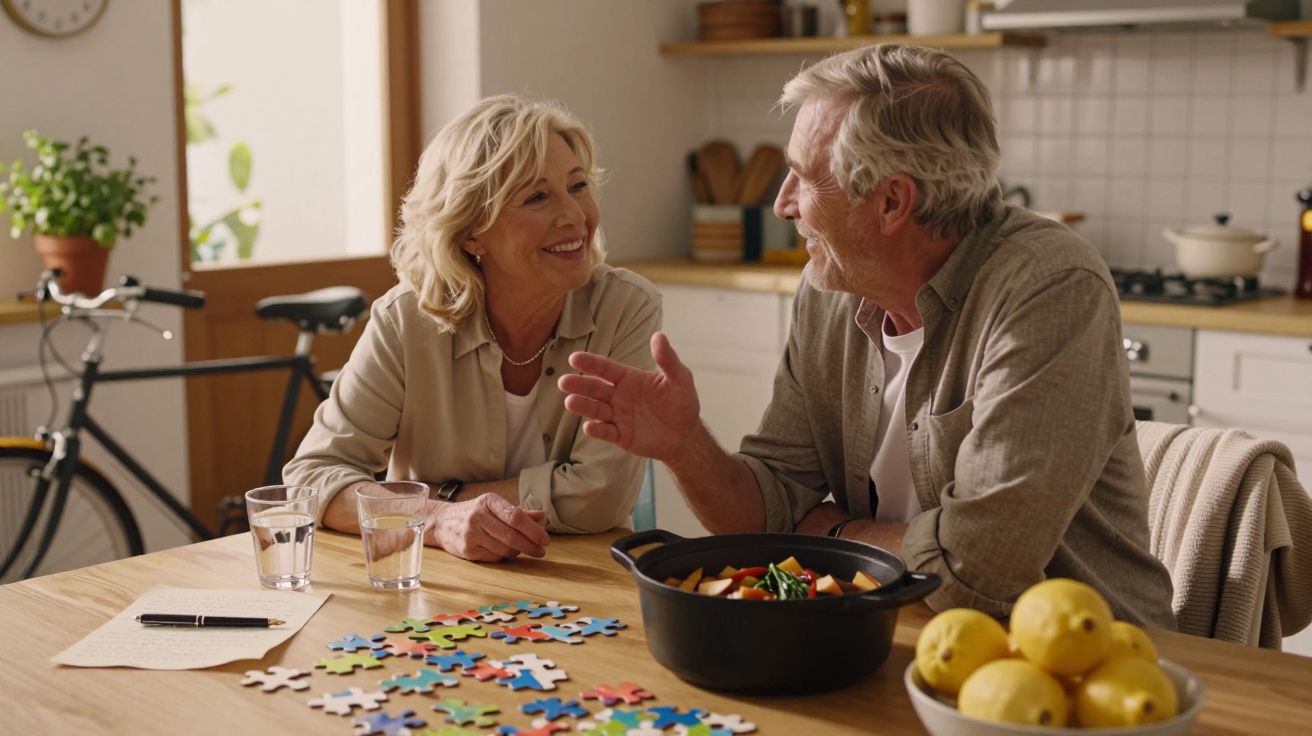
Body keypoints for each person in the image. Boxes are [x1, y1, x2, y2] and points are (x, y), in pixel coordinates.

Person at [559, 44, 1176, 627]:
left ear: (892, 203)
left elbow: (977, 570)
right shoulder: (831, 286)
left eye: (804, 178)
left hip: (1079, 658)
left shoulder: (1048, 287)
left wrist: (834, 534)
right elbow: (769, 511)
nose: (782, 205)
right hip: (893, 634)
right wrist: (685, 446)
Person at [284, 94, 662, 563]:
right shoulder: (406, 319)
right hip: (437, 583)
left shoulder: (626, 307)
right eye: (537, 197)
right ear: (470, 232)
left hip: (584, 577)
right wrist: (439, 520)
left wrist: (437, 499)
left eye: (578, 185)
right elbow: (312, 478)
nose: (576, 216)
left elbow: (599, 496)